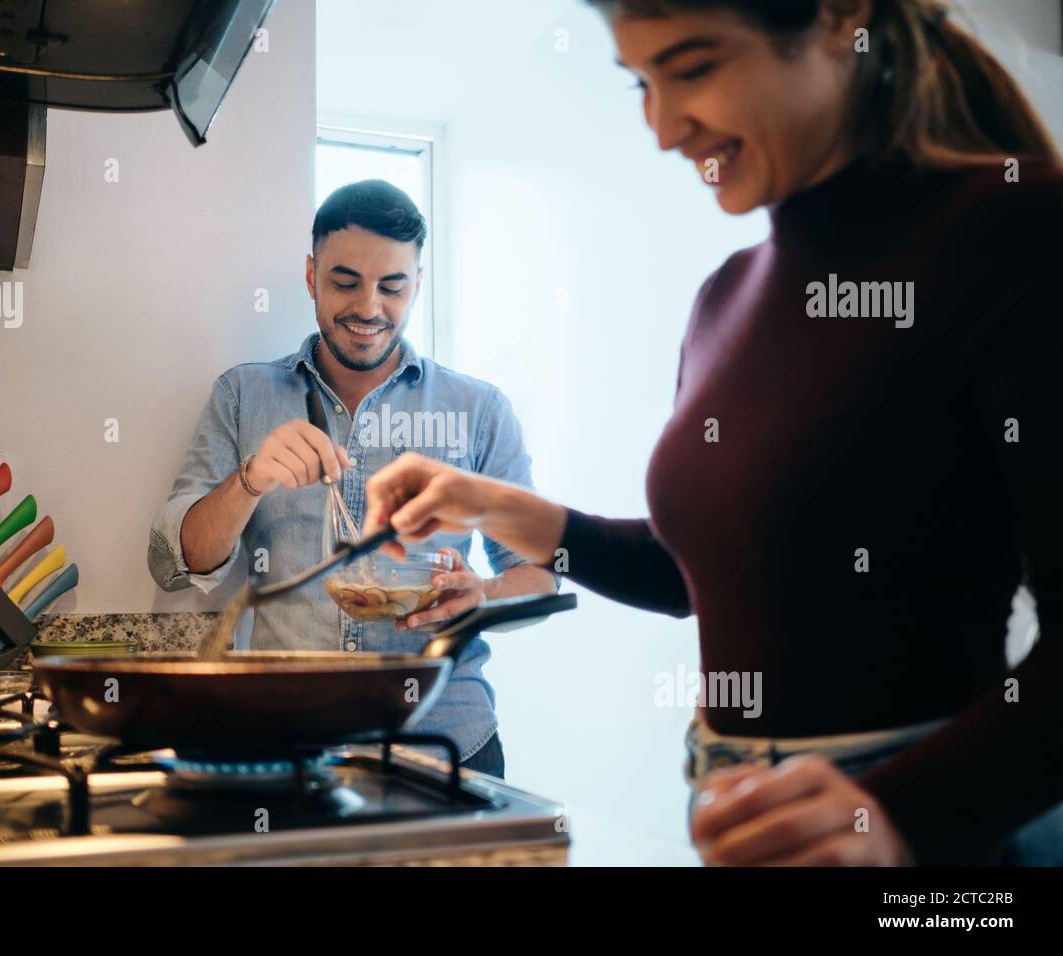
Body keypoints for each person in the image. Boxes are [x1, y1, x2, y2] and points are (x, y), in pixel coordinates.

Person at [361, 0, 1063, 864]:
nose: (663, 129)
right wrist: (491, 504)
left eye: (693, 70)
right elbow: (706, 572)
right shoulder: (726, 297)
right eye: (640, 84)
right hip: (736, 807)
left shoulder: (1015, 228)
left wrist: (900, 816)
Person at [149, 180, 556, 778]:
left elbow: (544, 576)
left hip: (448, 745)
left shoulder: (479, 410)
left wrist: (485, 593)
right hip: (288, 747)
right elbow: (174, 562)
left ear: (417, 284)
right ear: (311, 276)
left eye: (392, 286)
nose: (368, 307)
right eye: (345, 282)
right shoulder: (243, 395)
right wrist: (249, 480)